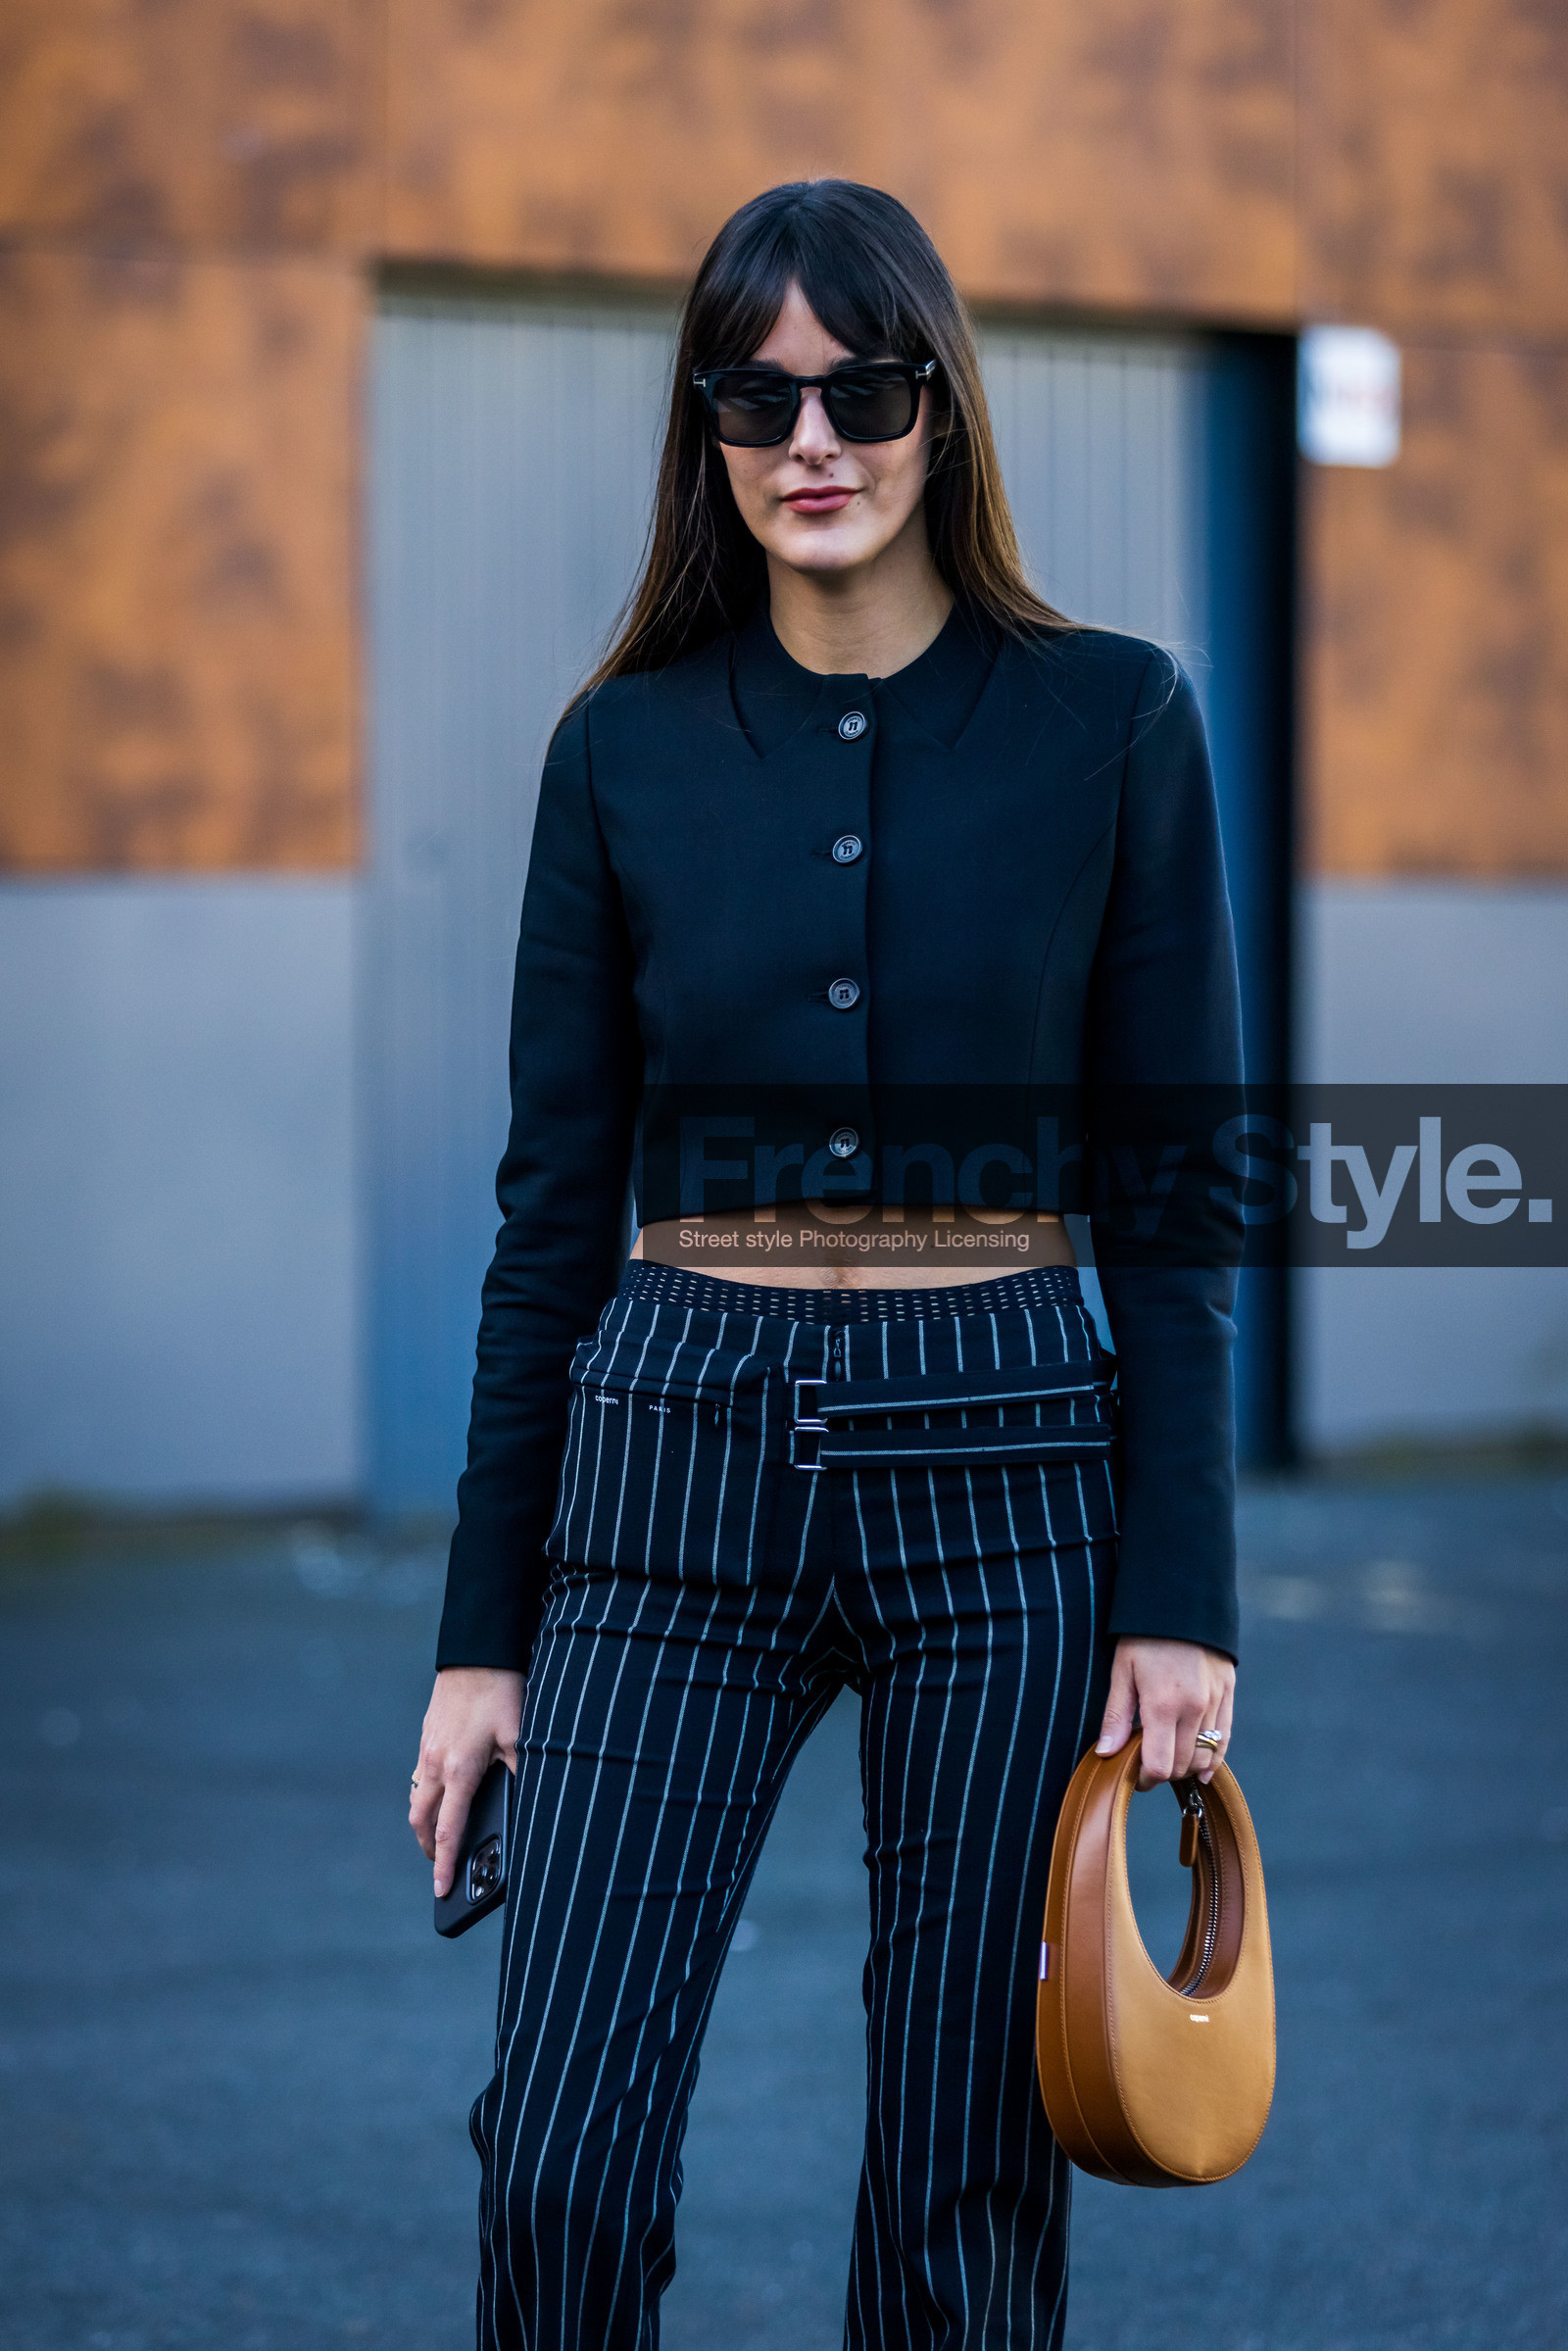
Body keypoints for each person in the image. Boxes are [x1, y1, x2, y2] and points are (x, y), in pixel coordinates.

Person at [410, 178, 1241, 2351]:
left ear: (938, 411)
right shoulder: (619, 751)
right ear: (702, 428)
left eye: (859, 385)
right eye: (752, 392)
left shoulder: (1113, 723)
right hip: (668, 1466)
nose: (810, 436)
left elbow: (1170, 1199)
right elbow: (542, 1212)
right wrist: (476, 1641)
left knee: (961, 2177)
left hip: (1009, 1473)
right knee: (564, 2153)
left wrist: (1180, 1596)